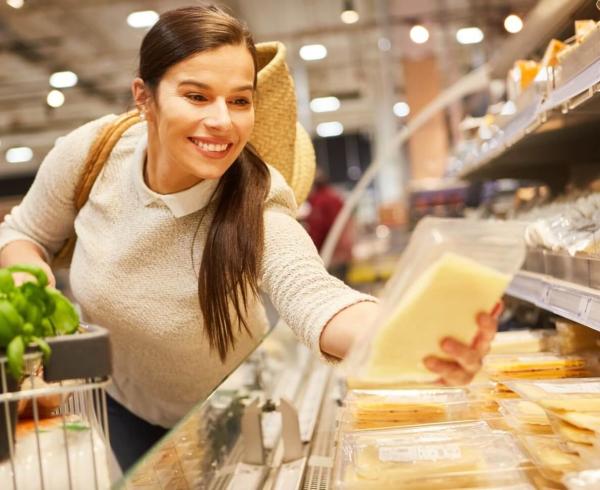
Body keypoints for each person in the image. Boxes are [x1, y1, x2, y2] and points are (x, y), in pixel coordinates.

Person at [0, 5, 499, 472]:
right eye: (196, 96)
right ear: (144, 97)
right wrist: (33, 279)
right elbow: (23, 232)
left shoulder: (256, 200)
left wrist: (403, 334)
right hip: (123, 406)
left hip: (228, 408)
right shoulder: (92, 153)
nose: (222, 121)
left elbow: (313, 295)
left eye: (239, 100)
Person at [305, 169, 353, 279]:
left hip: (331, 257)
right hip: (343, 255)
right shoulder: (335, 197)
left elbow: (317, 230)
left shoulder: (320, 202)